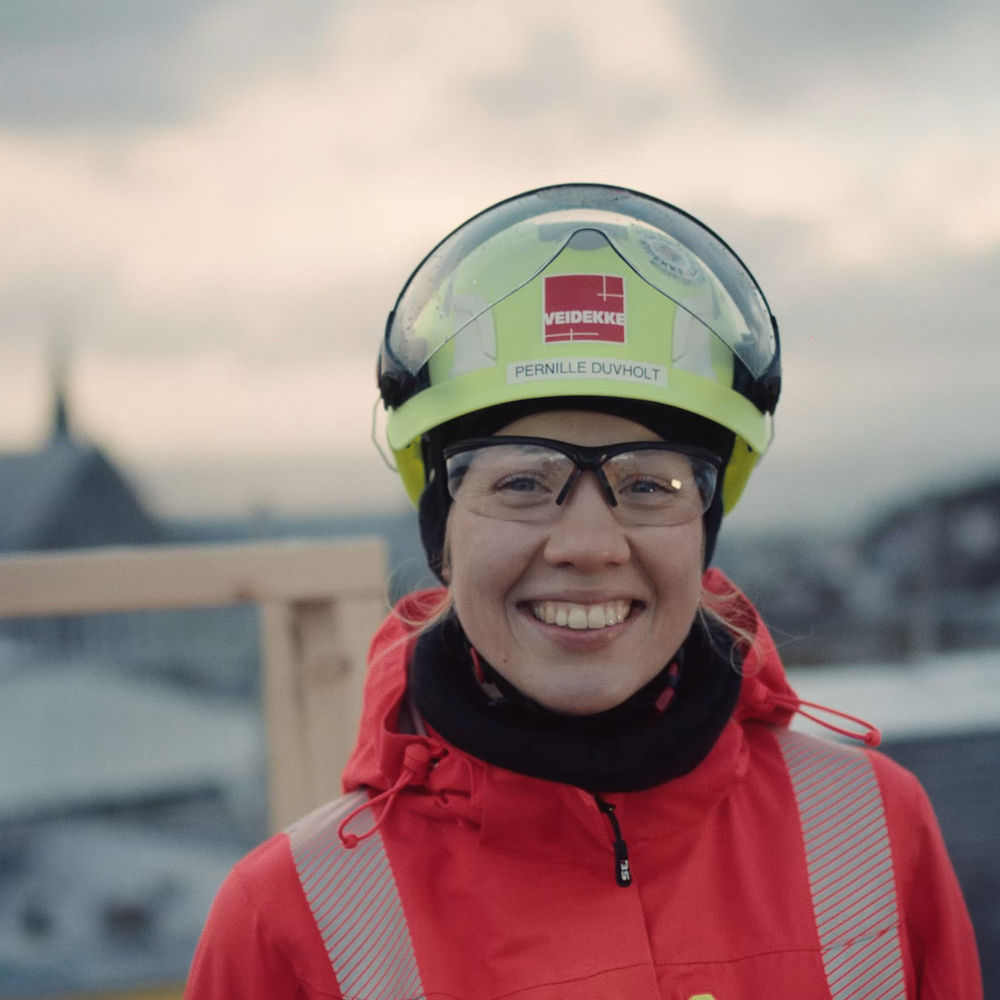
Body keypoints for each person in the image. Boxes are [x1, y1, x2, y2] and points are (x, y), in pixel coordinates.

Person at [184, 184, 981, 998]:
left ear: (703, 529)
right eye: (525, 480)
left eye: (650, 484)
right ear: (443, 531)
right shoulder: (293, 921)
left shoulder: (871, 831)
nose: (591, 546)